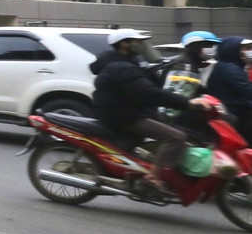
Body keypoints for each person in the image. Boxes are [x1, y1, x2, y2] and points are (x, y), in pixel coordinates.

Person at [91, 28, 208, 192]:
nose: (141, 45)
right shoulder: (122, 67)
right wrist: (188, 103)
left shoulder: (127, 63)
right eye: (137, 42)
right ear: (124, 44)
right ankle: (152, 177)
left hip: (125, 111)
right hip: (122, 115)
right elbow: (150, 93)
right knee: (176, 136)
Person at [205, 37, 252, 141]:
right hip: (235, 112)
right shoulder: (230, 69)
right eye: (247, 48)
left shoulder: (230, 66)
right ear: (234, 50)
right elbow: (247, 90)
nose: (250, 52)